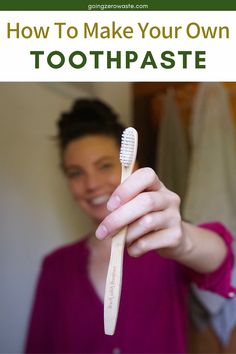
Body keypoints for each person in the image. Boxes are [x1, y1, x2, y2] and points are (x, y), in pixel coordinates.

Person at [25, 98, 236, 354]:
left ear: (132, 167)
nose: (91, 184)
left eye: (104, 165)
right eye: (76, 172)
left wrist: (184, 241)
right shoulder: (55, 266)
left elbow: (222, 261)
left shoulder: (164, 246)